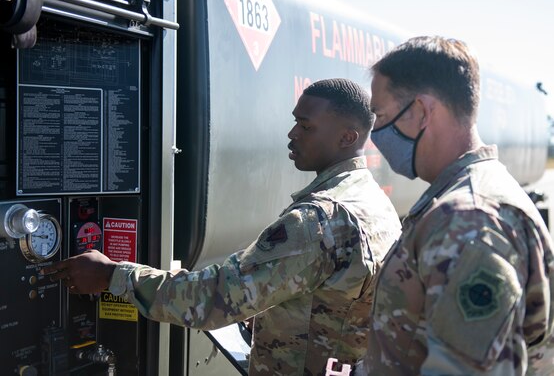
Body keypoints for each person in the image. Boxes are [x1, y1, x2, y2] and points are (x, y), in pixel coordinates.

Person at [42, 78, 401, 375]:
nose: (292, 134)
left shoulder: (318, 220)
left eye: (306, 126)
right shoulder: (374, 203)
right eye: (295, 121)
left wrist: (111, 275)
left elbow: (211, 298)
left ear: (347, 137)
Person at [358, 36, 554, 375]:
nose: (375, 131)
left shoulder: (469, 219)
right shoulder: (463, 197)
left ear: (420, 111)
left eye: (380, 115)